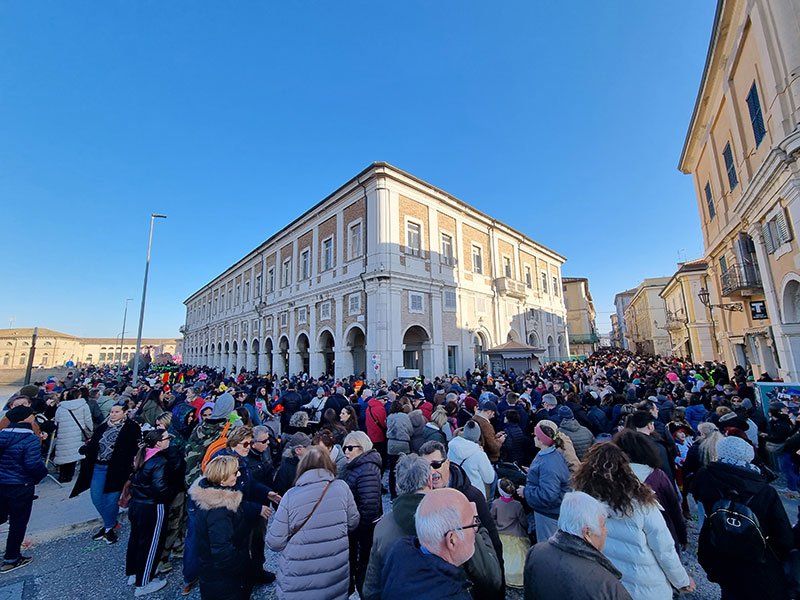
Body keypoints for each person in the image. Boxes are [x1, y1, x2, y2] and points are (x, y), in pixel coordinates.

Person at [572, 443, 693, 600]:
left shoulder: (579, 500)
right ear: (625, 469)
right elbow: (664, 550)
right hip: (643, 585)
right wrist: (682, 581)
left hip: (605, 584)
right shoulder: (641, 503)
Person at [691, 435, 793, 600]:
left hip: (720, 549)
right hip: (758, 559)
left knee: (730, 591)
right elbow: (783, 536)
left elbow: (697, 497)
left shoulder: (704, 476)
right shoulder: (765, 490)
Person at [266, 446, 360, 600]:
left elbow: (275, 542)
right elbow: (353, 522)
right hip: (334, 572)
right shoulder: (342, 488)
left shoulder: (290, 496)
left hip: (299, 577)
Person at [523, 491, 633, 600]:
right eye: (603, 525)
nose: (606, 531)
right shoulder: (606, 585)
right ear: (587, 533)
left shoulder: (536, 552)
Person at [379, 488, 476, 600]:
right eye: (473, 524)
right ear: (451, 540)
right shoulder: (453, 595)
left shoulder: (399, 553)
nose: (475, 531)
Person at [70, 401, 142, 544]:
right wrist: (87, 448)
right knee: (97, 498)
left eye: (117, 412)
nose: (113, 414)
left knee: (111, 500)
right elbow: (95, 444)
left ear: (125, 413)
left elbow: (134, 448)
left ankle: (108, 527)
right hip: (98, 467)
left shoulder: (131, 427)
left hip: (117, 469)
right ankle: (111, 523)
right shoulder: (103, 427)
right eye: (112, 412)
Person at [612, 429, 686, 550]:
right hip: (662, 532)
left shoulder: (610, 478)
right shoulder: (657, 476)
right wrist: (682, 535)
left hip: (626, 543)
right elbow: (674, 508)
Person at [189, 455, 251, 600]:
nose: (239, 474)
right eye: (235, 473)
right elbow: (222, 551)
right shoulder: (219, 511)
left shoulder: (210, 498)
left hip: (216, 575)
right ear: (223, 480)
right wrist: (240, 566)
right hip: (224, 579)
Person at [0, 406, 48, 573]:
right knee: (18, 523)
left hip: (2, 484)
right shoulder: (30, 439)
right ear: (26, 418)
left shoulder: (2, 435)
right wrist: (41, 475)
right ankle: (11, 558)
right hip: (21, 486)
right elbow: (33, 465)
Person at [125, 428, 172, 596]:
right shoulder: (159, 461)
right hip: (153, 505)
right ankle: (143, 582)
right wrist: (169, 495)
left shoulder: (142, 454)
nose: (169, 441)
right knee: (152, 543)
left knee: (136, 539)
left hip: (137, 503)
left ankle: (133, 572)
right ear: (158, 442)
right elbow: (160, 487)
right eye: (166, 438)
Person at [342, 430, 383, 596]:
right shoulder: (356, 466)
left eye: (350, 448)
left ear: (362, 448)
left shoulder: (367, 470)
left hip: (363, 531)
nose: (346, 451)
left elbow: (369, 507)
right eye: (345, 447)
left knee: (363, 568)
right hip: (357, 529)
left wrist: (353, 527)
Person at [519, 420, 571, 542]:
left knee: (548, 545)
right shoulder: (549, 455)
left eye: (536, 435)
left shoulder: (548, 463)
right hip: (549, 511)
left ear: (541, 440)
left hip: (548, 514)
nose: (533, 436)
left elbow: (548, 495)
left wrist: (526, 492)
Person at [490, 478, 529, 589]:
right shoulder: (517, 505)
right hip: (516, 534)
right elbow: (523, 521)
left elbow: (492, 518)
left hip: (500, 533)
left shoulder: (496, 503)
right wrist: (525, 529)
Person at [53, 388, 94, 482]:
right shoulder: (84, 405)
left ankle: (62, 474)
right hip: (78, 433)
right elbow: (88, 419)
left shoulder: (61, 407)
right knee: (74, 453)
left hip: (63, 432)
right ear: (79, 395)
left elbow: (57, 421)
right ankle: (69, 475)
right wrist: (90, 429)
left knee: (64, 453)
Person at [447, 421, 494, 499]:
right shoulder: (479, 454)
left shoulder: (452, 448)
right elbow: (489, 478)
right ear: (477, 435)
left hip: (455, 491)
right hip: (475, 494)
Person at [386, 400, 413, 498]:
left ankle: (393, 493)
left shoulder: (389, 417)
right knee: (405, 467)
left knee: (392, 469)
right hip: (403, 443)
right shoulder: (405, 417)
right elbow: (410, 430)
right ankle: (406, 489)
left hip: (392, 443)